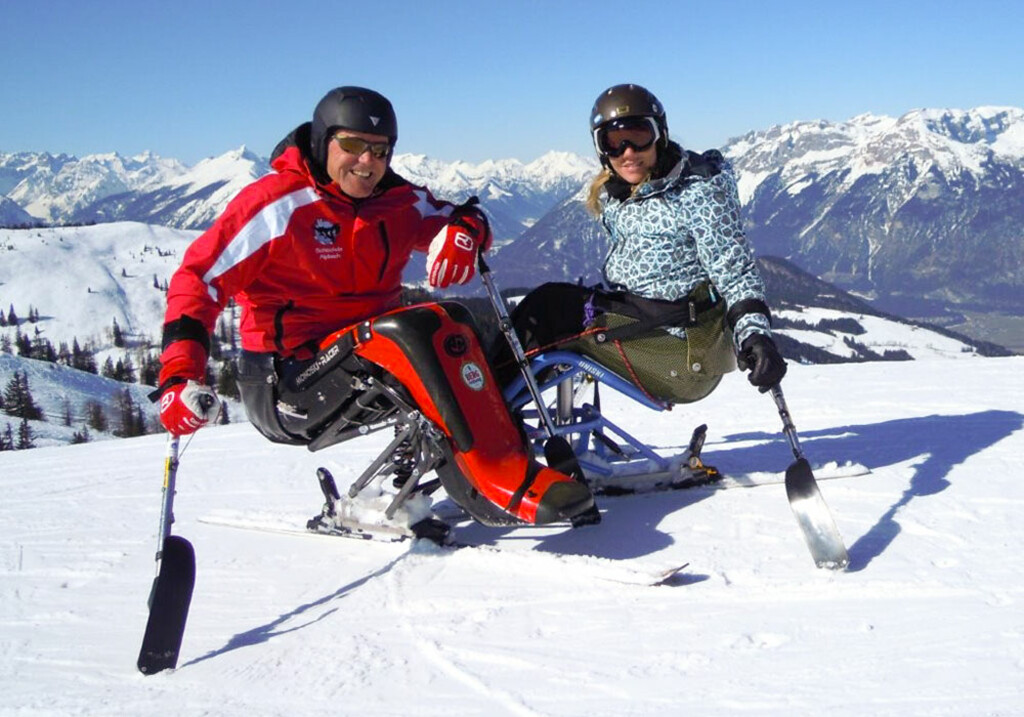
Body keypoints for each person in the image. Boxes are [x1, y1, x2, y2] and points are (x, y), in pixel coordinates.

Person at [151, 86, 594, 528]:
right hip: (287, 379)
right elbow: (198, 279)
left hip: (368, 354)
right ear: (325, 141)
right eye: (352, 146)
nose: (367, 162)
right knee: (421, 329)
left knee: (473, 325)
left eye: (380, 151)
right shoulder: (277, 206)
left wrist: (465, 233)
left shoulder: (396, 201)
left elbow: (465, 217)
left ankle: (504, 452)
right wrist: (179, 374)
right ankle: (495, 485)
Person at [496, 83, 786, 408]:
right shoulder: (625, 192)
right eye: (613, 142)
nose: (628, 152)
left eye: (638, 136)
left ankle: (485, 417)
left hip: (679, 351)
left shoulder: (698, 194)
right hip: (647, 324)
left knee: (546, 311)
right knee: (541, 308)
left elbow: (736, 274)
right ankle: (498, 412)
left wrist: (755, 335)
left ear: (659, 135)